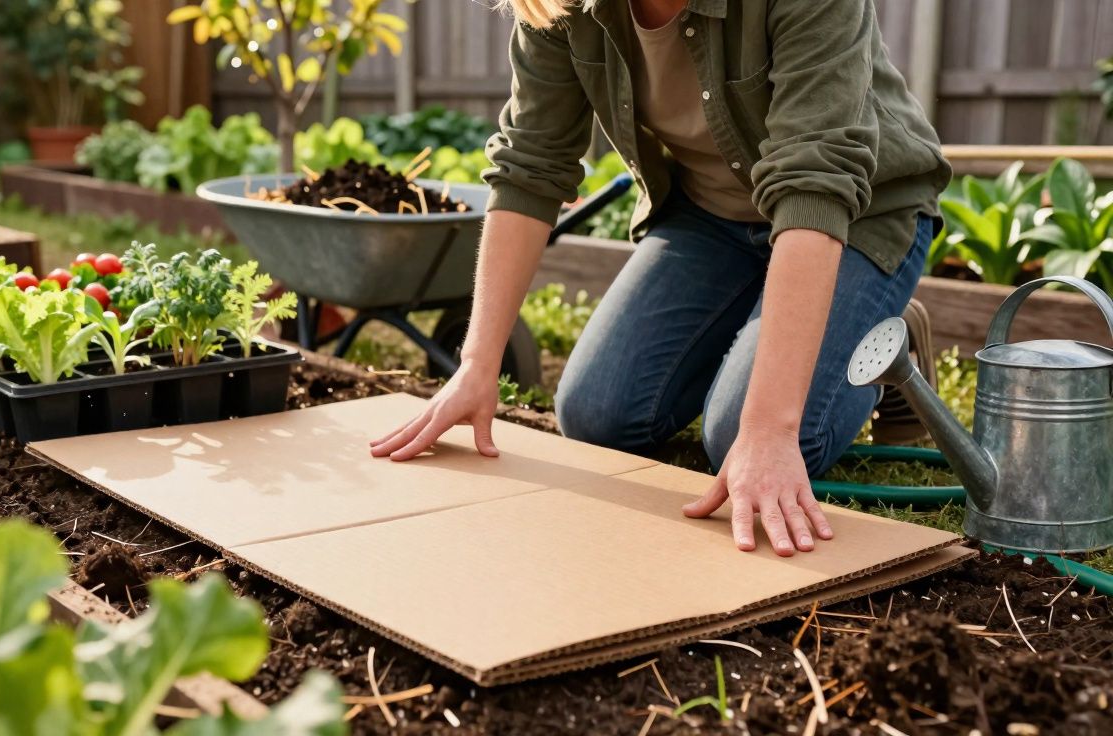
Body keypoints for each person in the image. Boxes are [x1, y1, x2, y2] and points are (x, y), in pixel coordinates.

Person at [370, 0, 951, 557]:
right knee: (597, 414)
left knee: (749, 437)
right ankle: (770, 319)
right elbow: (531, 162)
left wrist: (768, 429)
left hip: (858, 217)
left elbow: (814, 182)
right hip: (712, 219)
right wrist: (476, 365)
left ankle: (886, 351)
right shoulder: (565, 4)